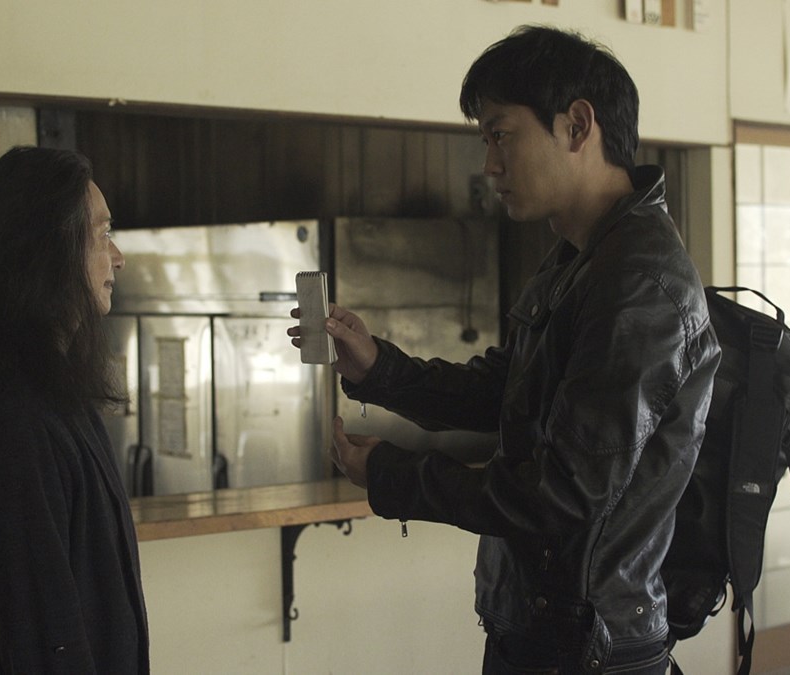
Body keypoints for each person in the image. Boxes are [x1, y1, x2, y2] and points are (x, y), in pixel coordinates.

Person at [289, 25, 720, 675]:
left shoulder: (639, 282)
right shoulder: (582, 256)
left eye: (501, 135)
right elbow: (506, 389)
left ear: (577, 126)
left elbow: (562, 495)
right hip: (547, 630)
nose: (489, 164)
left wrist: (393, 475)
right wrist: (379, 368)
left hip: (590, 646)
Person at [0, 146, 149, 673]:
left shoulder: (52, 389)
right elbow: (44, 636)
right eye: (101, 235)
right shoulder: (17, 416)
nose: (117, 257)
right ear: (50, 251)